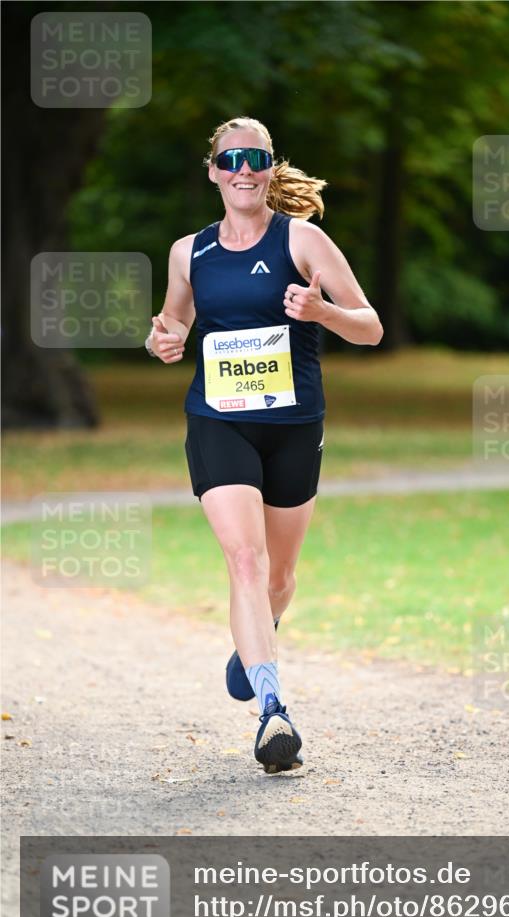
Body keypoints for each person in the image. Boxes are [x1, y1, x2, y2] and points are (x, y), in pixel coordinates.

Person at [146, 116, 382, 774]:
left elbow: (370, 327)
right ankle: (273, 710)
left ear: (271, 166)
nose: (244, 168)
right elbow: (171, 325)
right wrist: (159, 342)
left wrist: (323, 313)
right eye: (231, 159)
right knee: (244, 563)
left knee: (278, 576)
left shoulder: (302, 240)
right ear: (214, 170)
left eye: (257, 157)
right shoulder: (187, 252)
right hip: (219, 421)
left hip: (294, 427)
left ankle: (251, 651)